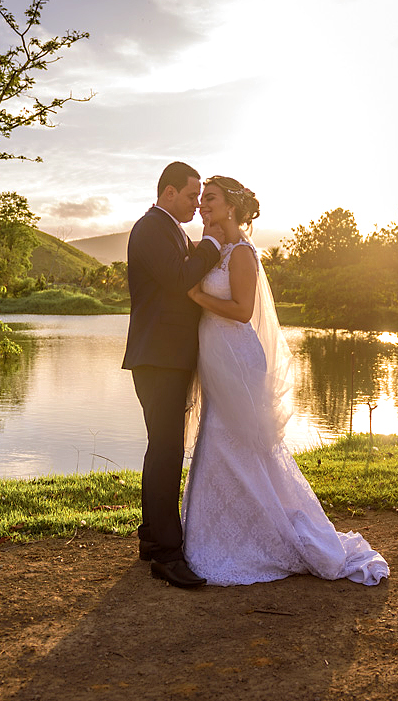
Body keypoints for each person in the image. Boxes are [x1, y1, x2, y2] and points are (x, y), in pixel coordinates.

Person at [181, 176, 389, 586]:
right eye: (202, 198)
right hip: (217, 360)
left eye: (211, 198)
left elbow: (242, 311)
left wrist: (195, 296)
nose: (203, 204)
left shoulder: (241, 253)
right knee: (217, 441)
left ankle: (265, 538)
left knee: (242, 445)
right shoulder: (216, 249)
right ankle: (217, 536)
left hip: (238, 360)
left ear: (232, 207)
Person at [122, 161, 222, 589]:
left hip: (168, 357)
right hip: (157, 358)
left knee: (163, 448)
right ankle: (166, 553)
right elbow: (181, 278)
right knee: (166, 450)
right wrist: (213, 245)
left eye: (200, 196)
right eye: (191, 195)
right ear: (168, 193)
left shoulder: (172, 230)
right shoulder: (150, 229)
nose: (197, 203)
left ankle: (152, 539)